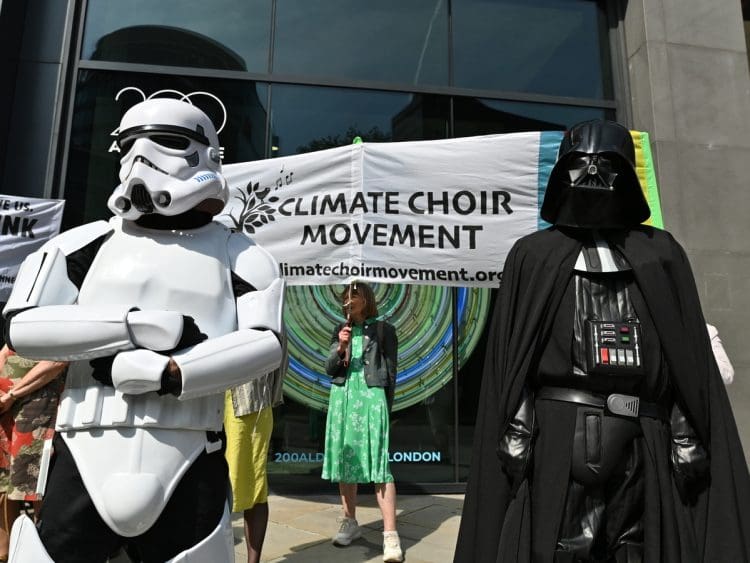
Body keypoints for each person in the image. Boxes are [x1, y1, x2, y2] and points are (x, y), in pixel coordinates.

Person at [2, 98, 285, 562]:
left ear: (209, 155)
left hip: (191, 448)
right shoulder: (85, 243)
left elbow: (265, 342)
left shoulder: (240, 252)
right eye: (129, 145)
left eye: (168, 142)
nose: (143, 158)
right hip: (84, 447)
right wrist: (133, 326)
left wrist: (171, 374)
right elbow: (22, 326)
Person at [454, 120, 750, 562]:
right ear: (562, 174)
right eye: (579, 165)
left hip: (643, 440)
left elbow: (685, 361)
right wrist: (517, 422)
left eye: (605, 164)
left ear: (626, 172)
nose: (592, 175)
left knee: (637, 548)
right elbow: (511, 362)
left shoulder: (660, 253)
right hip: (556, 437)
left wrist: (685, 426)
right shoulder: (534, 256)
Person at [322, 282, 403, 563]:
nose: (348, 299)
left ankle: (390, 535)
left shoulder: (384, 330)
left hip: (370, 398)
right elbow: (330, 368)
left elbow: (391, 373)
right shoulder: (338, 330)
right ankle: (350, 521)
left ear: (366, 299)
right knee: (347, 460)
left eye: (354, 294)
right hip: (343, 398)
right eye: (346, 295)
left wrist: (385, 408)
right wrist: (341, 347)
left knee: (380, 465)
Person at [0, 345, 66, 561]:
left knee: (35, 484)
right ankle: (5, 554)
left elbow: (58, 360)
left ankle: (46, 552)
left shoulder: (60, 316)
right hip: (5, 401)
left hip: (36, 402)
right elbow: (7, 348)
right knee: (4, 482)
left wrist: (12, 394)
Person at [225, 364, 285, 563]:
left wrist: (269, 395)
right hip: (207, 403)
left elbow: (278, 346)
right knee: (213, 485)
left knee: (254, 488)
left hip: (248, 402)